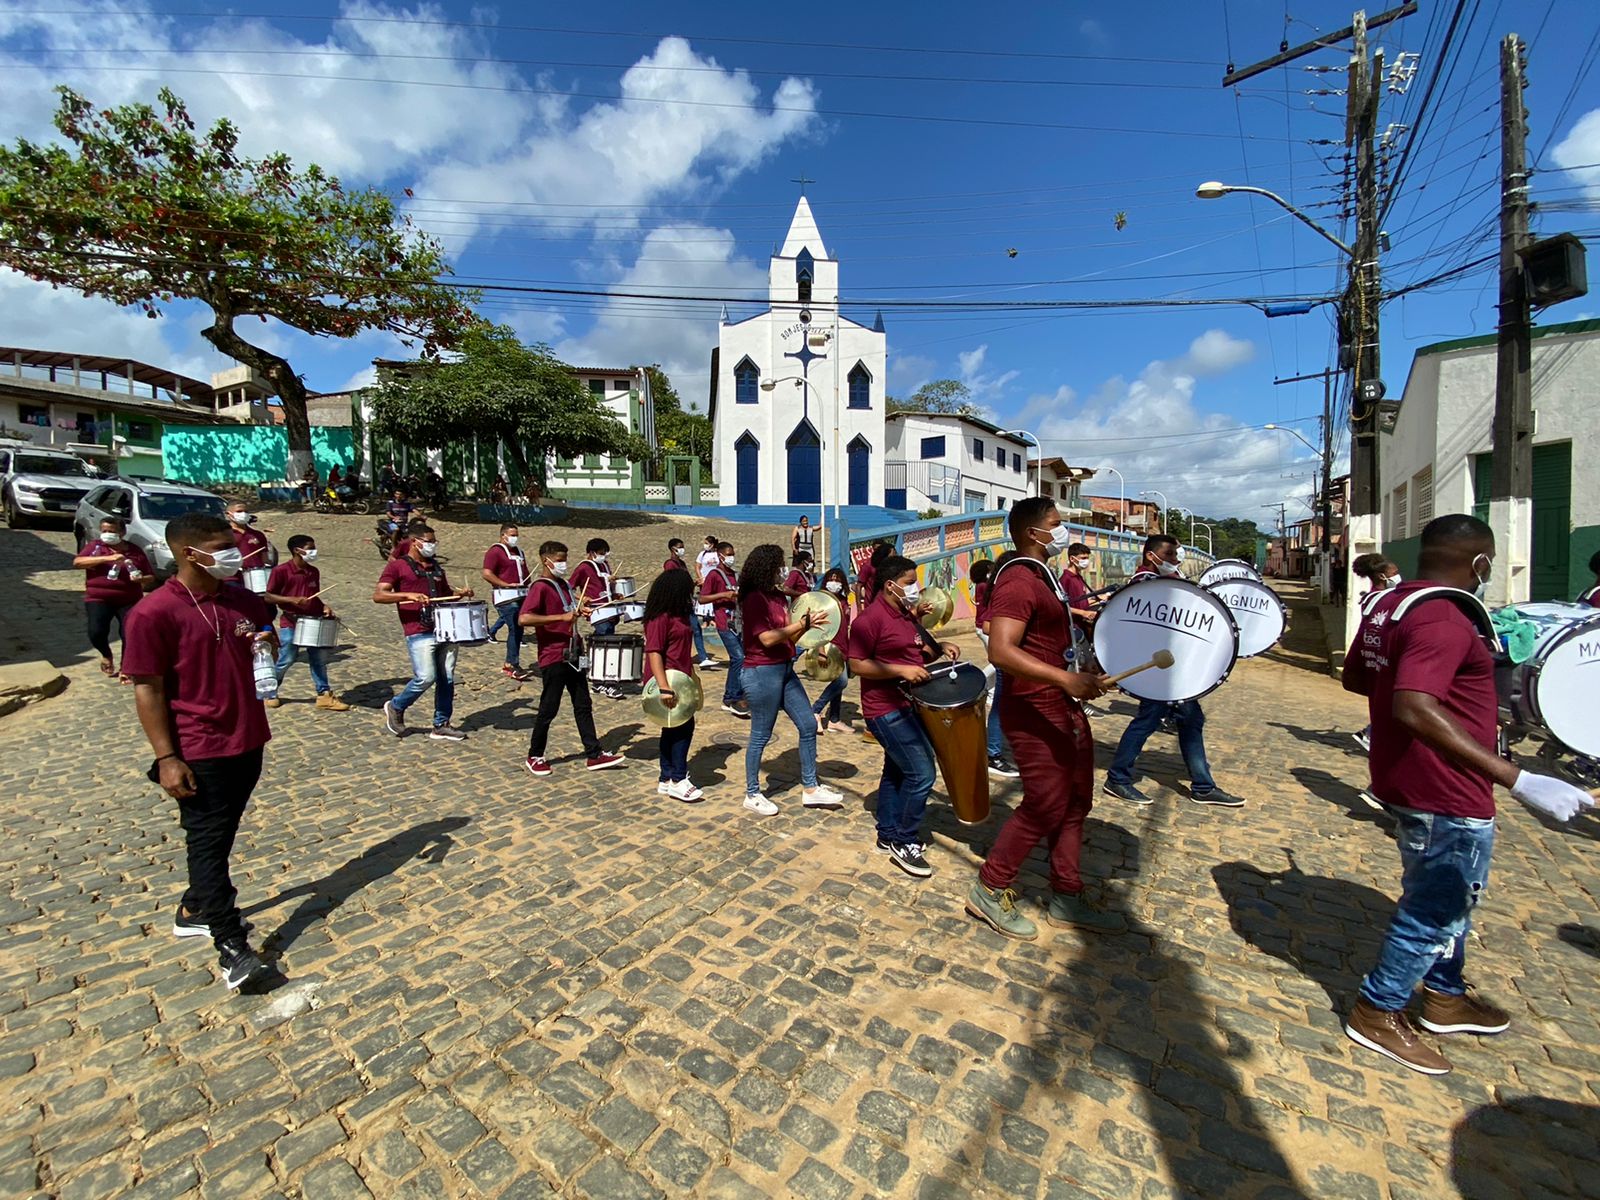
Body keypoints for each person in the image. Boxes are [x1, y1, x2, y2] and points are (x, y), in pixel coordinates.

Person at [1341, 513, 1593, 1075]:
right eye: (1491, 562)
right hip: (1446, 788)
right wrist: (1520, 778)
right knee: (1436, 905)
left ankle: (1445, 997)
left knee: (1451, 896)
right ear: (1479, 562)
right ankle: (1377, 1011)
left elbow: (1359, 678)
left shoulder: (1390, 604)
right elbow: (1412, 705)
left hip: (1407, 777)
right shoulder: (1447, 619)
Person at [121, 511, 279, 992]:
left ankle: (194, 906)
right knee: (207, 840)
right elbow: (147, 689)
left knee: (223, 830)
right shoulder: (153, 613)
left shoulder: (237, 599)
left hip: (247, 737)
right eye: (223, 547)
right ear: (190, 553)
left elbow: (264, 625)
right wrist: (167, 757)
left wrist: (265, 639)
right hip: (197, 745)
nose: (235, 555)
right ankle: (231, 944)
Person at [966, 497, 1120, 940]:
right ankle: (990, 887)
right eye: (1056, 523)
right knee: (1045, 801)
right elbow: (1002, 651)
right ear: (1032, 532)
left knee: (1074, 800)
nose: (1063, 529)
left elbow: (1048, 643)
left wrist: (1082, 673)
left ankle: (1067, 894)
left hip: (1059, 701)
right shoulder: (1017, 580)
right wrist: (1063, 680)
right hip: (1034, 706)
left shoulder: (1045, 577)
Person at [1102, 534, 1246, 808]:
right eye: (1168, 555)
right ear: (1151, 555)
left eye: (1175, 555)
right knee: (1150, 720)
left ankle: (1201, 785)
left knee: (1189, 720)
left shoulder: (1166, 583)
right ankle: (1119, 778)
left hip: (1170, 671)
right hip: (1156, 672)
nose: (1174, 560)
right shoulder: (1143, 585)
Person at [847, 555, 959, 877]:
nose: (915, 588)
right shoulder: (869, 621)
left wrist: (942, 646)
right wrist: (901, 671)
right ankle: (905, 840)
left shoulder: (905, 616)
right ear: (890, 585)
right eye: (910, 583)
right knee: (922, 774)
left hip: (908, 706)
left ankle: (888, 831)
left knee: (896, 771)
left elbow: (918, 650)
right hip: (884, 710)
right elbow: (857, 665)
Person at [739, 544, 846, 817]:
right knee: (760, 735)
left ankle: (810, 789)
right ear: (766, 568)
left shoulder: (777, 597)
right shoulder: (754, 598)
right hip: (761, 672)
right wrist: (802, 624)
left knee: (809, 724)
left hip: (784, 669)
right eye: (777, 566)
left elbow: (789, 636)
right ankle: (752, 793)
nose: (782, 571)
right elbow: (766, 638)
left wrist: (813, 632)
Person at [519, 540, 625, 777]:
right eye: (558, 560)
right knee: (549, 707)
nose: (563, 564)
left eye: (565, 559)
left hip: (574, 652)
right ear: (545, 560)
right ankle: (535, 754)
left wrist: (580, 610)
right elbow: (524, 619)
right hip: (553, 655)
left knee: (583, 704)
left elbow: (570, 610)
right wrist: (561, 617)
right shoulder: (541, 587)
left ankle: (594, 753)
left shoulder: (565, 585)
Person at [373, 523, 472, 741]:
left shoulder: (435, 567)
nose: (432, 545)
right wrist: (407, 595)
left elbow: (445, 595)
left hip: (444, 629)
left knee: (446, 678)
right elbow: (379, 595)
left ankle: (441, 723)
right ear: (415, 542)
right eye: (429, 541)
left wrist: (460, 594)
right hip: (418, 629)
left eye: (434, 541)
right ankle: (397, 706)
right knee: (426, 676)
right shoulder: (398, 566)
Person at [264, 535, 349, 711]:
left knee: (319, 659)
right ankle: (270, 691)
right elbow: (268, 596)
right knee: (286, 658)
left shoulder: (313, 571)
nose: (313, 551)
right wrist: (291, 600)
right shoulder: (281, 571)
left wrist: (324, 606)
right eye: (310, 548)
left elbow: (315, 597)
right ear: (297, 550)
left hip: (313, 621)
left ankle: (324, 695)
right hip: (291, 621)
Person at [644, 569, 702, 802]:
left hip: (682, 678)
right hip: (668, 681)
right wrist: (664, 687)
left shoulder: (680, 615)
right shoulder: (661, 618)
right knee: (682, 729)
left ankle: (666, 777)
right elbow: (654, 652)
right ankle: (679, 778)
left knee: (671, 728)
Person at [74, 514, 157, 678]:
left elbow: (150, 576)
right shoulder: (95, 547)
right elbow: (78, 562)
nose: (107, 534)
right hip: (98, 598)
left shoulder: (134, 551)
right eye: (104, 530)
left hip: (128, 599)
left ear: (122, 532)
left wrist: (141, 579)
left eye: (111, 531)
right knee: (96, 631)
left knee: (129, 633)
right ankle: (106, 655)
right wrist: (107, 558)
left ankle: (126, 667)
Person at [970, 558, 1018, 778]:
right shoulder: (992, 589)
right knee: (1001, 702)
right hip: (1004, 649)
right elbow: (989, 624)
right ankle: (993, 752)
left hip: (1009, 651)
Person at [572, 538, 623, 699]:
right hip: (596, 610)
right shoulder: (583, 567)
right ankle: (601, 681)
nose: (604, 556)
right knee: (605, 642)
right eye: (601, 553)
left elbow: (605, 587)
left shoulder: (605, 565)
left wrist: (615, 593)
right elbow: (569, 587)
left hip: (609, 608)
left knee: (604, 641)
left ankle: (593, 672)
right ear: (592, 553)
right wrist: (581, 597)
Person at [702, 542, 748, 718]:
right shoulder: (715, 575)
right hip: (723, 623)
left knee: (741, 659)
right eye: (728, 554)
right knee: (738, 657)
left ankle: (738, 692)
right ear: (720, 555)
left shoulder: (735, 575)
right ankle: (730, 698)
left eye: (733, 554)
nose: (731, 557)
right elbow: (703, 598)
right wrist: (723, 595)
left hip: (738, 622)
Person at [482, 523, 534, 681]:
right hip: (505, 596)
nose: (514, 538)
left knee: (519, 629)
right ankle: (511, 663)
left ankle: (511, 661)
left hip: (521, 594)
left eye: (516, 534)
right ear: (503, 535)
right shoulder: (495, 551)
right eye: (512, 534)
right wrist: (504, 584)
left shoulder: (519, 552)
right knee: (514, 627)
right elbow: (486, 573)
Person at [812, 566, 854, 733]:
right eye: (831, 579)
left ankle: (834, 720)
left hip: (844, 648)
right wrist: (821, 651)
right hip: (830, 648)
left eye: (837, 580)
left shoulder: (844, 602)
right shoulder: (822, 602)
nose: (834, 583)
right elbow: (818, 629)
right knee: (841, 681)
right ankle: (816, 709)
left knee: (839, 685)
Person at [664, 538, 715, 667]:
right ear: (672, 549)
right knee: (685, 630)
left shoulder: (682, 563)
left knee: (695, 629)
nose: (682, 549)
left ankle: (702, 657)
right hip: (678, 603)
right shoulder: (670, 564)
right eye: (679, 547)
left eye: (682, 546)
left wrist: (693, 584)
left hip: (686, 601)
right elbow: (672, 583)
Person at [856, 541, 892, 611]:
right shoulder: (868, 566)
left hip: (886, 605)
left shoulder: (889, 565)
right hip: (871, 605)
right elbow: (859, 586)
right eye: (875, 549)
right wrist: (859, 608)